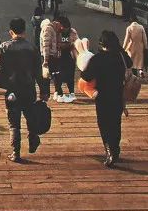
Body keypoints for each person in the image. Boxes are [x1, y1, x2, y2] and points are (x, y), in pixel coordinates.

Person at [0, 17, 44, 163]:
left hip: (12, 90)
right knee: (30, 116)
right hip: (29, 88)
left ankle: (16, 152)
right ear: (24, 31)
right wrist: (44, 90)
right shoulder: (32, 48)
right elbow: (39, 71)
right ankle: (33, 137)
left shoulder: (4, 47)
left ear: (10, 32)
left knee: (14, 123)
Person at [79, 29, 132, 167]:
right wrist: (120, 49)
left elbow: (86, 77)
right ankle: (115, 148)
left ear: (102, 44)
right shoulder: (120, 56)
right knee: (115, 123)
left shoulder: (98, 59)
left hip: (102, 96)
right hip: (118, 94)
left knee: (104, 124)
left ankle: (109, 150)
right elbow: (130, 63)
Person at [53, 13, 79, 102]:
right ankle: (57, 91)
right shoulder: (55, 32)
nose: (65, 30)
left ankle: (71, 92)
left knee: (70, 74)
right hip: (58, 55)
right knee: (57, 74)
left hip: (69, 55)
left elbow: (77, 42)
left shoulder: (72, 31)